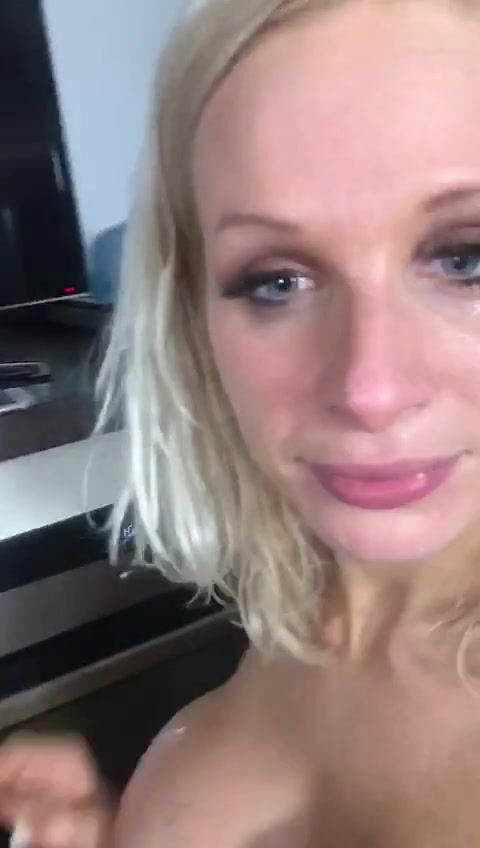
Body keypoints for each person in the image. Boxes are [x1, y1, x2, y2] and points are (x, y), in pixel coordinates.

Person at [4, 0, 480, 843]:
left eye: (465, 259)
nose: (369, 390)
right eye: (277, 280)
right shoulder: (298, 607)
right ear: (195, 322)